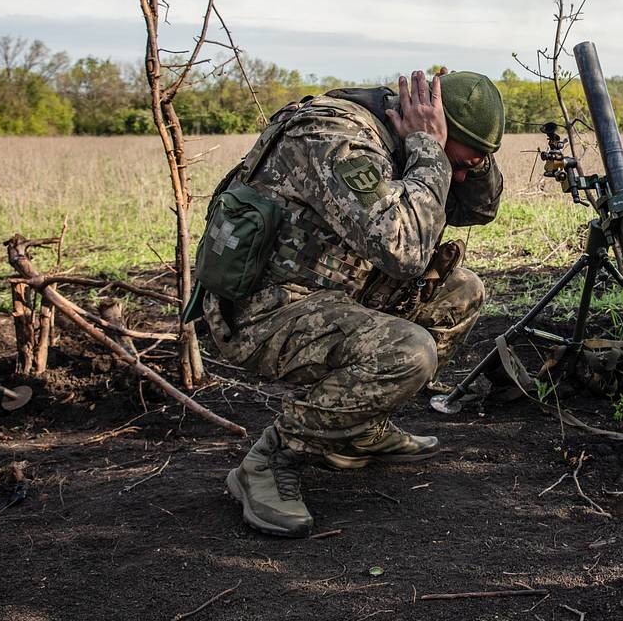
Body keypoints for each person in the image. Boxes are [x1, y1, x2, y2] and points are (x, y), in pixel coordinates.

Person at [203, 68, 505, 538]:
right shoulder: (336, 137)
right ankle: (270, 459)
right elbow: (403, 249)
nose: (459, 175)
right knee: (407, 351)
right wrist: (428, 149)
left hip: (329, 291)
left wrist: (470, 163)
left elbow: (477, 211)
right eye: (458, 163)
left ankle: (358, 426)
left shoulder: (406, 139)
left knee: (459, 291)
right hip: (265, 310)